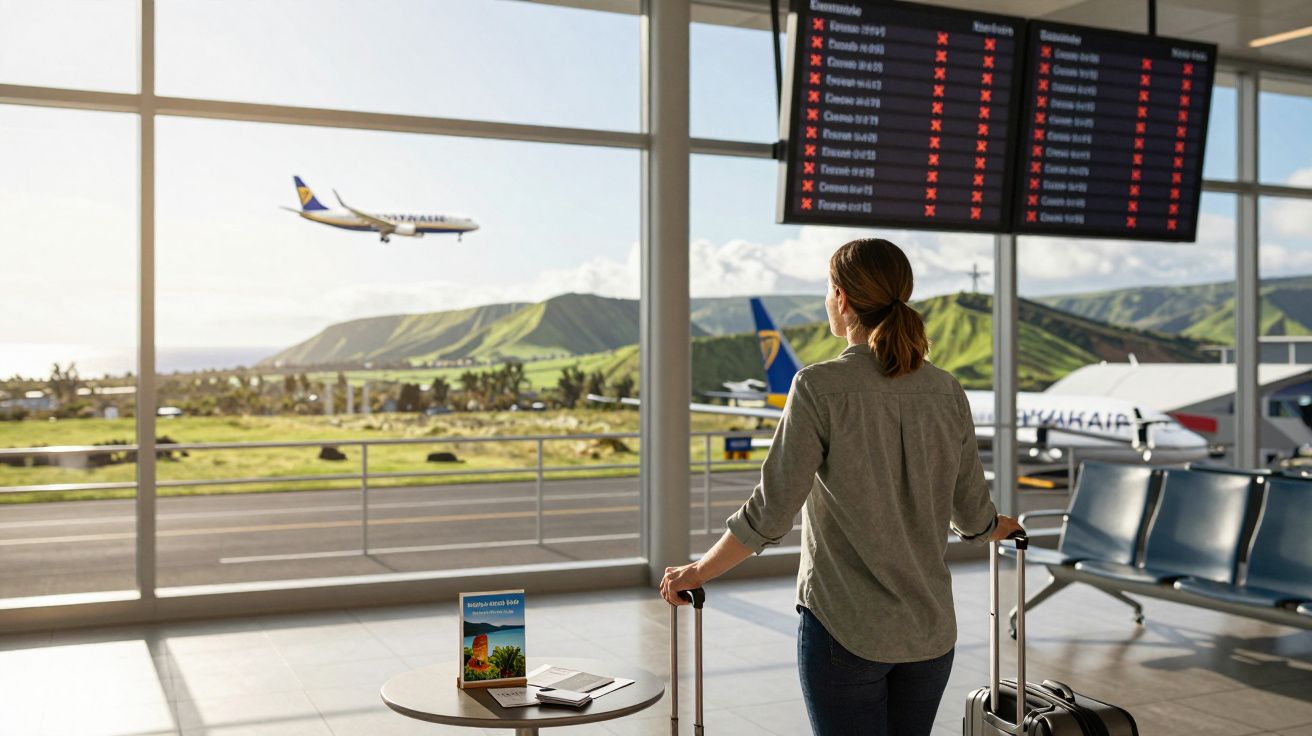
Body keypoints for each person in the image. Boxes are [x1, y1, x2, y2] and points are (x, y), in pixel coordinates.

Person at [660, 238, 1023, 736]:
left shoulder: (818, 387)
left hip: (846, 630)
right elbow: (973, 516)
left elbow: (770, 512)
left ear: (842, 297)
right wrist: (998, 526)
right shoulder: (946, 390)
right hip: (930, 635)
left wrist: (698, 571)